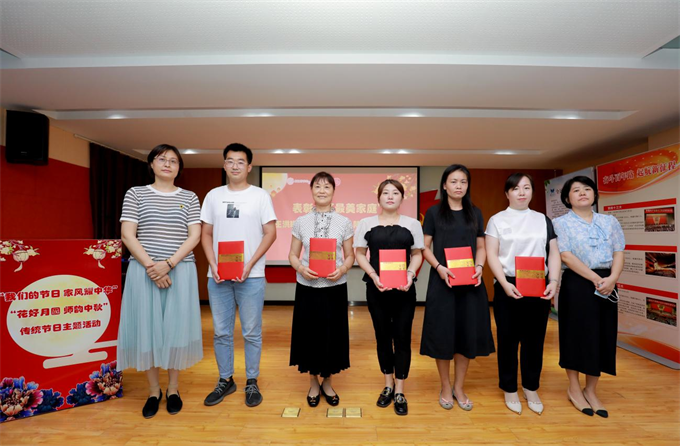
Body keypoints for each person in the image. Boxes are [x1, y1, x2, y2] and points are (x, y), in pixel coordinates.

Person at [118, 144, 203, 418]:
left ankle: (174, 389)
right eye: (162, 159)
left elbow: (194, 236)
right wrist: (151, 267)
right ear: (151, 164)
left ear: (179, 168)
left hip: (180, 270)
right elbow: (128, 235)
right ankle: (154, 391)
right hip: (143, 273)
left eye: (174, 161)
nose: (168, 164)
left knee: (175, 330)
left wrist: (168, 264)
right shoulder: (136, 194)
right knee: (148, 329)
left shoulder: (190, 197)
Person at [201, 143, 277, 408]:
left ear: (249, 167)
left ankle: (252, 381)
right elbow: (206, 233)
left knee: (251, 332)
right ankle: (225, 380)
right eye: (230, 161)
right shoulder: (213, 195)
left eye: (240, 162)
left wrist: (249, 264)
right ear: (224, 165)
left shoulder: (260, 196)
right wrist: (213, 264)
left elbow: (271, 233)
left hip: (252, 276)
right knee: (221, 332)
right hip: (218, 276)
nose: (235, 166)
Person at [420, 165, 495, 411]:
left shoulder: (475, 212)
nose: (459, 186)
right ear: (444, 185)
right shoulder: (433, 213)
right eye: (453, 181)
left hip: (471, 283)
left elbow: (481, 247)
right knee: (442, 335)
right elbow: (424, 247)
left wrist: (480, 266)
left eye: (463, 181)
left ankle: (459, 387)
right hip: (443, 282)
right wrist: (440, 267)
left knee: (466, 335)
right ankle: (444, 386)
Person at [485, 173, 561, 415]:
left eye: (526, 188)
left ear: (532, 192)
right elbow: (491, 255)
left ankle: (530, 387)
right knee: (507, 339)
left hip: (538, 284)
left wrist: (554, 281)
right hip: (508, 284)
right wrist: (504, 284)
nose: (521, 192)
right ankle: (509, 387)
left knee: (534, 339)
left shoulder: (543, 220)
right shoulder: (496, 220)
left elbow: (553, 253)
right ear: (507, 193)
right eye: (516, 188)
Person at [553, 176, 625, 418]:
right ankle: (574, 388)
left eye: (587, 189)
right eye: (576, 190)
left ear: (595, 195)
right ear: (567, 198)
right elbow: (566, 256)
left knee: (602, 335)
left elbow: (618, 251)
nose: (582, 193)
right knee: (575, 335)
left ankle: (591, 390)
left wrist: (612, 278)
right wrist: (596, 279)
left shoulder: (610, 221)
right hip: (578, 283)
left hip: (608, 283)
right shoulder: (560, 223)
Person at [354, 179, 424, 416]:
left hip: (404, 289)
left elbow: (416, 254)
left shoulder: (413, 224)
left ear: (402, 198)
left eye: (396, 192)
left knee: (402, 338)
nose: (391, 196)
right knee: (382, 336)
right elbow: (360, 254)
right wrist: (373, 275)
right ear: (379, 198)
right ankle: (388, 384)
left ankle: (400, 389)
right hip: (377, 288)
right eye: (386, 192)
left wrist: (410, 274)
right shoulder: (366, 223)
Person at [288, 172, 355, 407]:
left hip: (335, 288)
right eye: (317, 186)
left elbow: (350, 256)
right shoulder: (300, 221)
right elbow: (293, 255)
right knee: (310, 335)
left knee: (331, 335)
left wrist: (344, 268)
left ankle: (328, 381)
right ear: (311, 190)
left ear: (334, 191)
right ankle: (313, 382)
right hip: (307, 287)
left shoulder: (344, 222)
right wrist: (300, 268)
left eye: (327, 186)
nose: (322, 190)